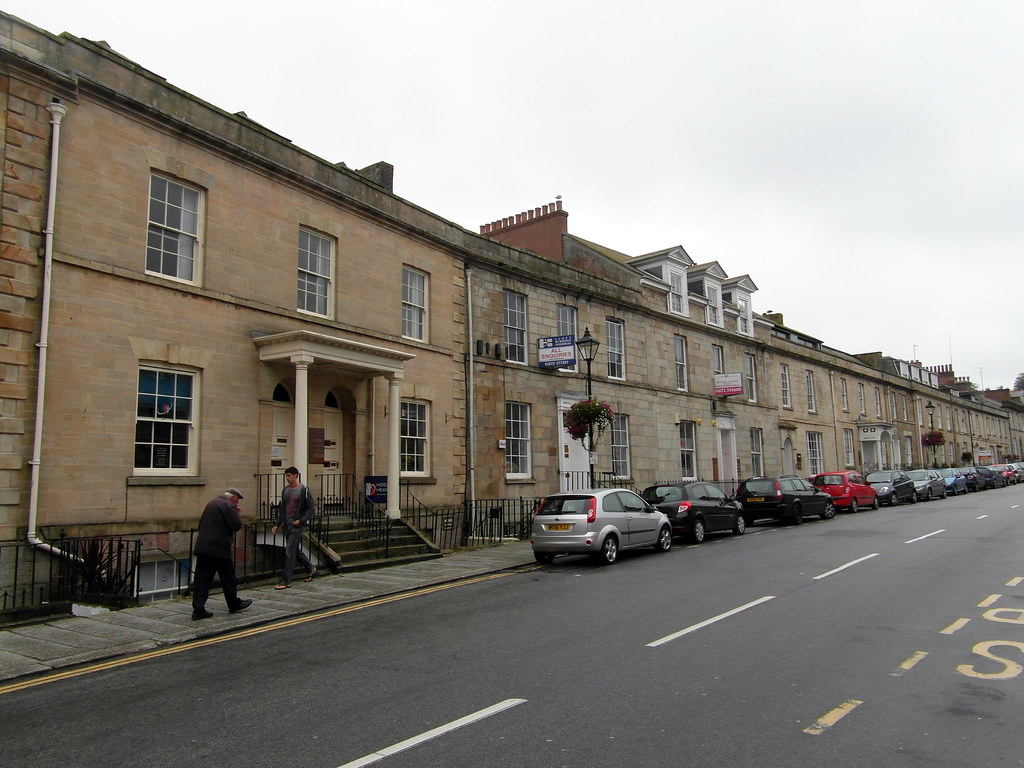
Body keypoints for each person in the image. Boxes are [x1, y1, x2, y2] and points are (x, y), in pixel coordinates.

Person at [191, 487, 253, 620]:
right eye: (237, 501)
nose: (237, 504)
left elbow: (200, 524)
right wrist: (236, 512)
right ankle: (234, 604)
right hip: (219, 549)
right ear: (233, 497)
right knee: (228, 578)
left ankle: (198, 609)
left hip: (203, 547)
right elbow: (236, 525)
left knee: (202, 580)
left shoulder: (211, 503)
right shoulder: (228, 506)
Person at [271, 467, 318, 589]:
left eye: (290, 476)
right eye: (286, 476)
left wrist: (301, 520)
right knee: (295, 550)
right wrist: (277, 524)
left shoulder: (304, 490)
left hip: (297, 525)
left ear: (296, 475)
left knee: (289, 550)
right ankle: (311, 568)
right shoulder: (285, 490)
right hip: (287, 524)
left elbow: (311, 508)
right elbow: (283, 510)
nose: (288, 478)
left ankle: (286, 580)